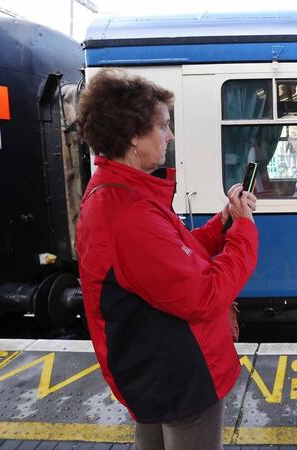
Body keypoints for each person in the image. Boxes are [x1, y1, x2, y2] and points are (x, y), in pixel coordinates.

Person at [75, 69, 258, 450]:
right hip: (179, 375)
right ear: (133, 134)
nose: (170, 136)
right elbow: (204, 295)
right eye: (163, 125)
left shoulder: (121, 194)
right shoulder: (128, 213)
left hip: (154, 369)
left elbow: (177, 254)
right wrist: (243, 230)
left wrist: (225, 220)